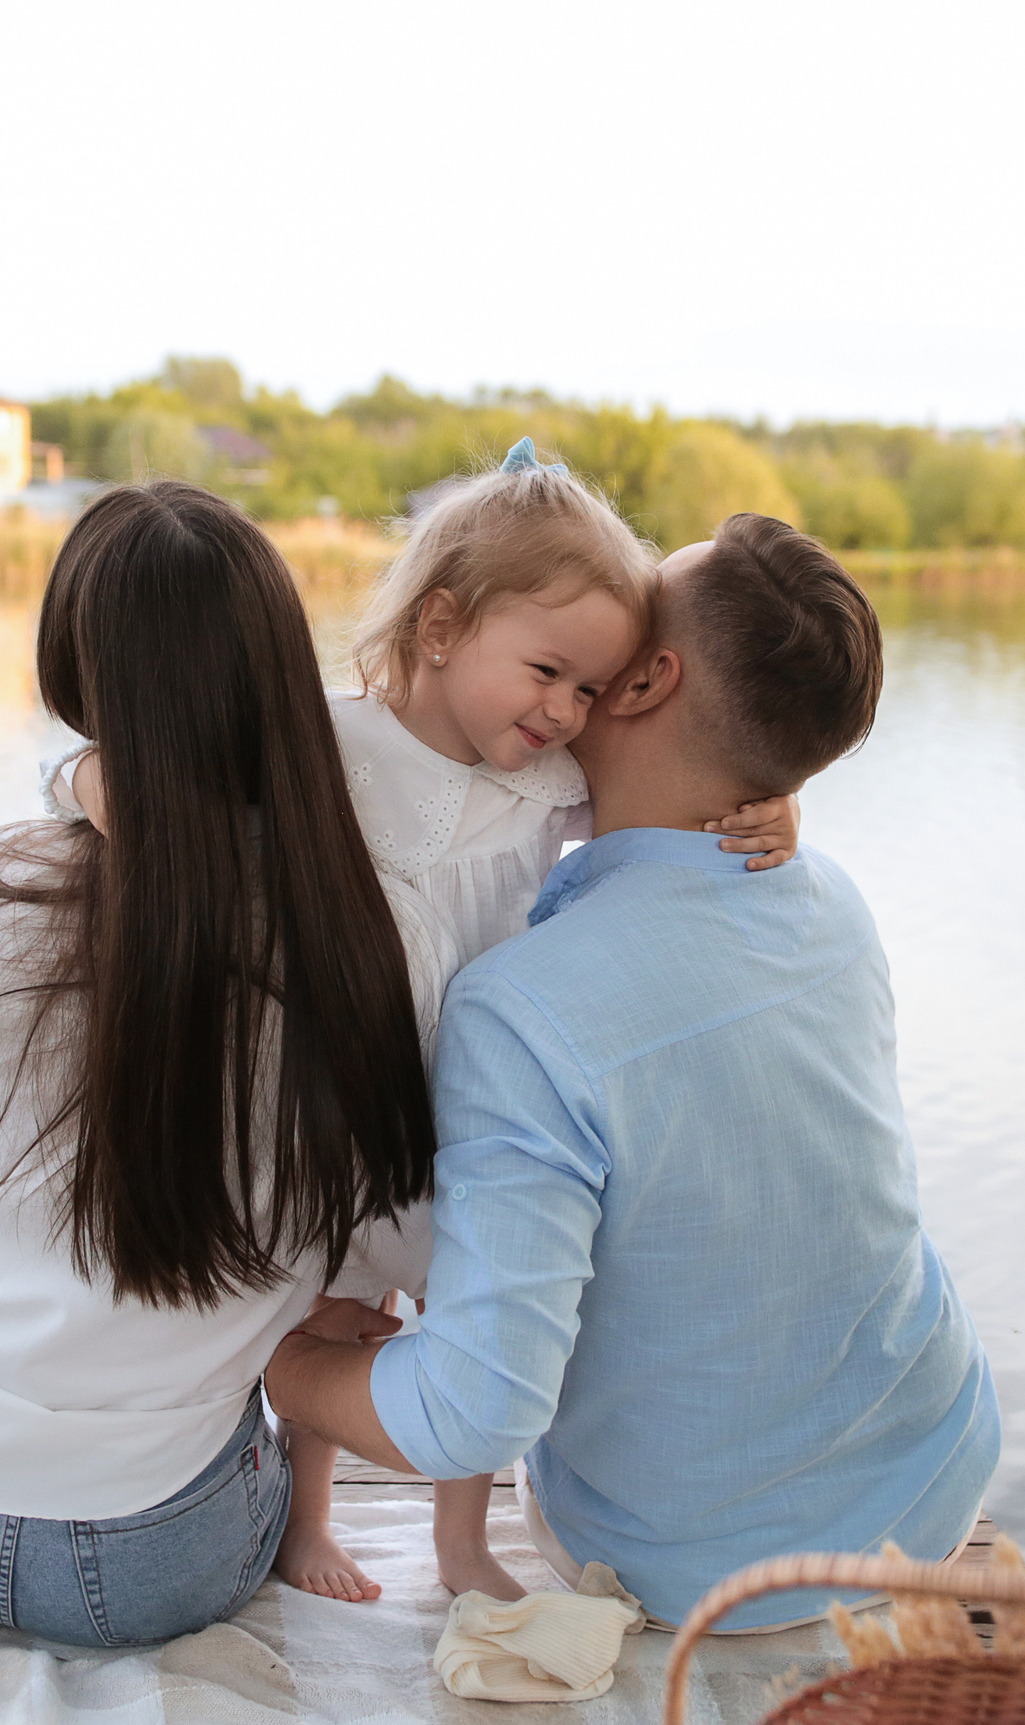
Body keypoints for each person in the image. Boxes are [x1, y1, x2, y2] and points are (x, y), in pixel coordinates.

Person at [53, 441, 801, 1606]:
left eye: (591, 692)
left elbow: (694, 785)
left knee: (473, 1298)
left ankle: (463, 1537)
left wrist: (779, 801)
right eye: (547, 671)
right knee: (331, 1299)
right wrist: (91, 789)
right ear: (442, 625)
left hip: (486, 1098)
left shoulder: (553, 782)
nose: (564, 711)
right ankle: (308, 1516)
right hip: (340, 1082)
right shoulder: (322, 746)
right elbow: (155, 776)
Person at [266, 513, 1002, 1633]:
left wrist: (284, 1368)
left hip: (701, 1563)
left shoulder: (525, 1010)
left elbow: (476, 1409)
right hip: (939, 1464)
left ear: (649, 676)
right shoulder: (835, 906)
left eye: (641, 609)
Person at [0, 482, 447, 1648]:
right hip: (146, 1559)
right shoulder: (365, 943)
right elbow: (403, 1250)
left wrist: (76, 785)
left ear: (73, 672)